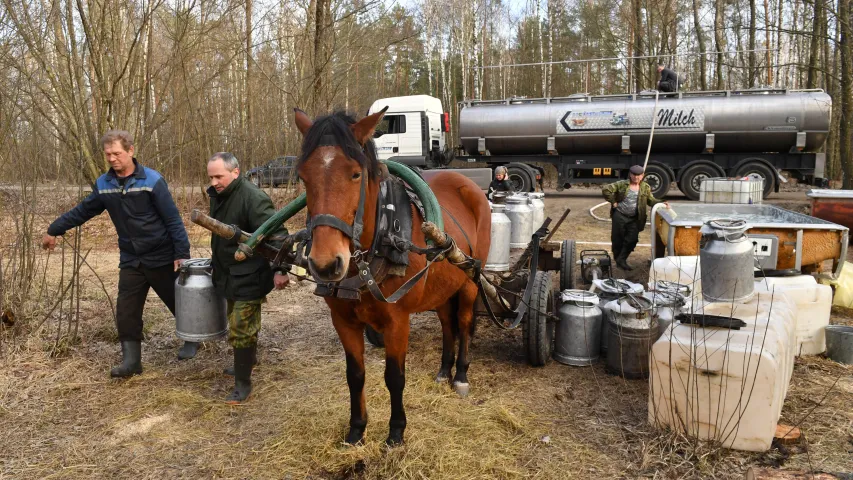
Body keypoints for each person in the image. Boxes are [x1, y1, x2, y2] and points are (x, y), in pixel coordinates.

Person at [42, 130, 195, 377]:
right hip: (131, 258)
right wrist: (54, 229)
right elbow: (83, 211)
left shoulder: (153, 181)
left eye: (117, 153)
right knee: (126, 309)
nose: (112, 158)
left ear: (130, 151)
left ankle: (192, 338)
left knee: (177, 301)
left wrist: (182, 253)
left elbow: (173, 219)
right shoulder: (105, 184)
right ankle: (132, 362)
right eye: (108, 154)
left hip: (160, 254)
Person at [206, 152, 290, 404]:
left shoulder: (253, 198)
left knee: (241, 327)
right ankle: (247, 361)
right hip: (228, 274)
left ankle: (243, 385)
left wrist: (280, 270)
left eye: (219, 176)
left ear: (235, 171)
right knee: (237, 320)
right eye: (210, 177)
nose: (214, 182)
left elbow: (278, 235)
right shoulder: (220, 195)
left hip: (250, 275)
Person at [602, 165, 668, 271]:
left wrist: (661, 203)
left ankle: (621, 259)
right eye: (634, 175)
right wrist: (613, 201)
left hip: (635, 218)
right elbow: (606, 190)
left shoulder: (645, 187)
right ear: (630, 175)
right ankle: (619, 260)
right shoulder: (622, 184)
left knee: (632, 239)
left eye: (639, 175)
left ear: (642, 176)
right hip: (620, 215)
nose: (636, 177)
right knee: (617, 239)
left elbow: (651, 200)